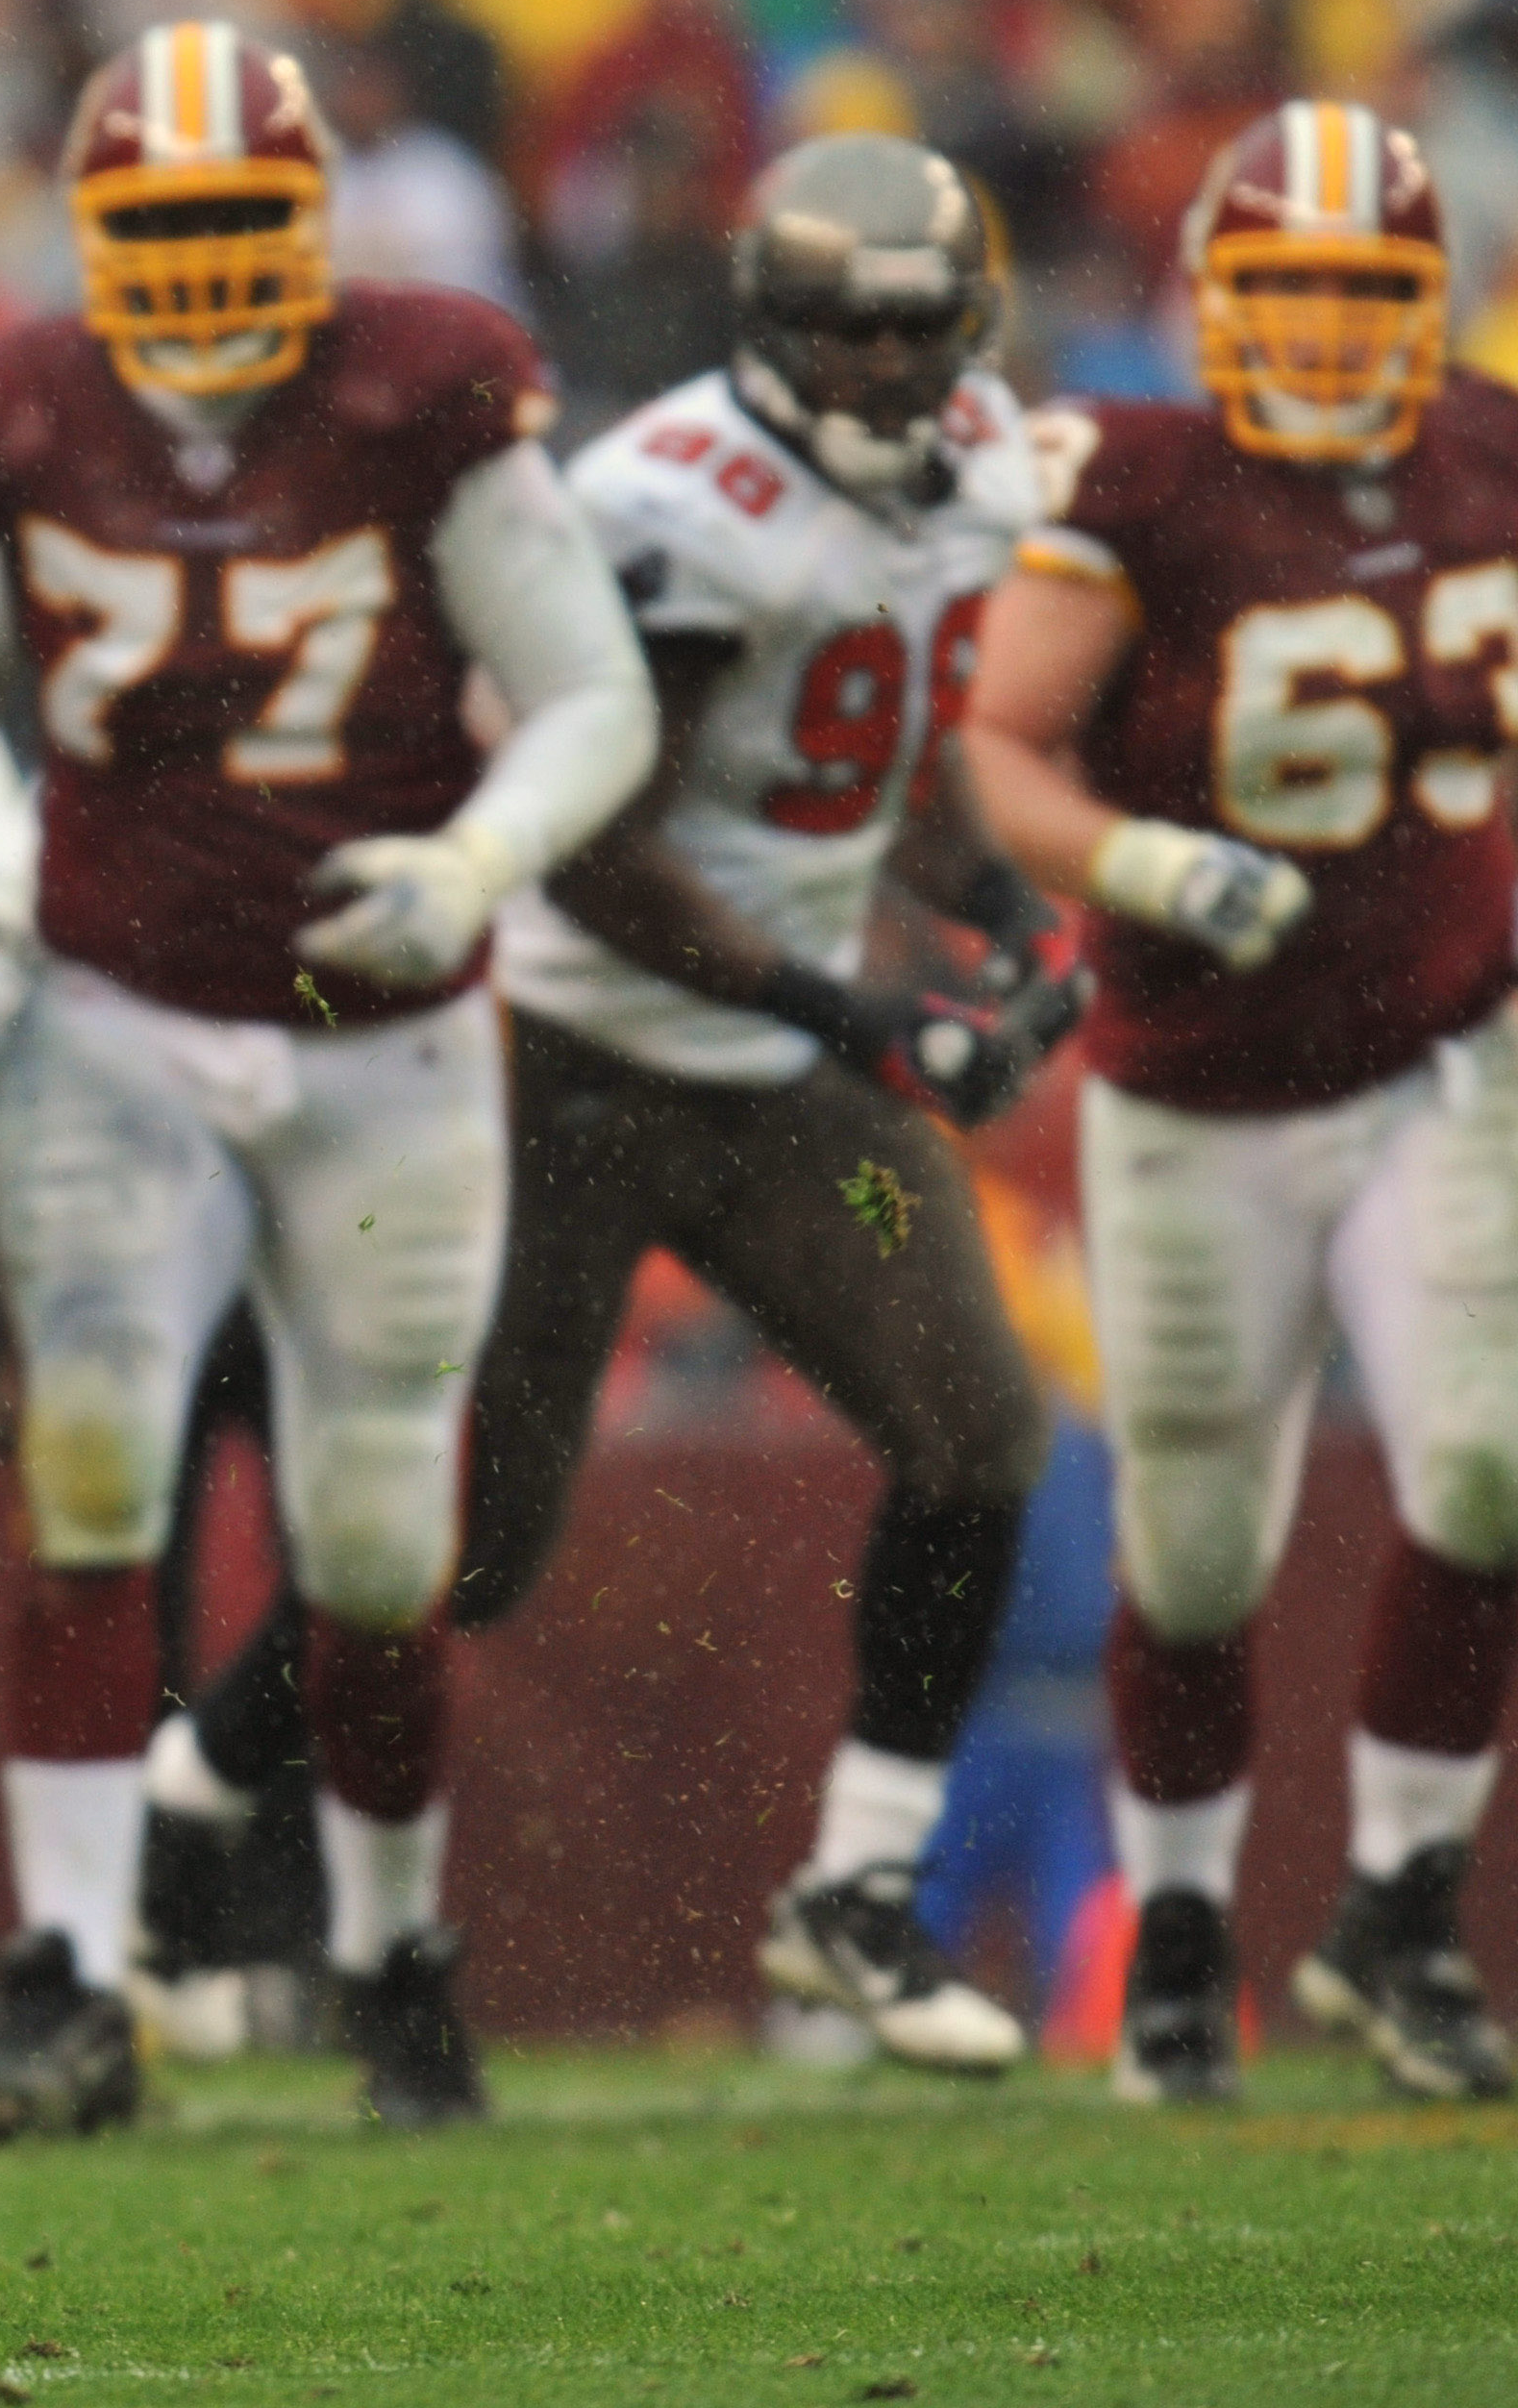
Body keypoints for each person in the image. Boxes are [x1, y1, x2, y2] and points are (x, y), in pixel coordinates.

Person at [0, 20, 655, 2138]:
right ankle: (72, 1981)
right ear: (94, 235)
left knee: (379, 1532)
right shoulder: (14, 416)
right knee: (93, 1490)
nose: (207, 267)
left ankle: (392, 1955)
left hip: (373, 1024)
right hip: (113, 1015)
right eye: (167, 227)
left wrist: (476, 854)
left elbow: (595, 698)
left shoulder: (422, 392)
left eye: (240, 223)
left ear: (312, 227)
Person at [961, 101, 1518, 2105]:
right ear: (1211, 296)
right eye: (1289, 292)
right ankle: (1176, 1933)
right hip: (1192, 1095)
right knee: (1190, 1554)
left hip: (1441, 1054)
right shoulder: (1139, 480)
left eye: (1363, 295)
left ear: (1424, 307)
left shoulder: (1497, 454)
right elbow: (1001, 742)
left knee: (1498, 1471)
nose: (1328, 335)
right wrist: (1145, 869)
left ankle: (1399, 1919)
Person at [437, 133, 1076, 2074]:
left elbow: (887, 743)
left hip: (791, 1074)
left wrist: (996, 912)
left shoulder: (980, 470)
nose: (891, 370)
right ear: (768, 324)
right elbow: (596, 858)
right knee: (459, 1544)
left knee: (979, 1433)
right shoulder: (666, 508)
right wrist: (860, 1006)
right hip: (576, 1063)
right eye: (844, 330)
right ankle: (201, 1805)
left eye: (918, 330)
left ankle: (857, 1895)